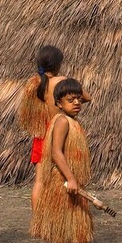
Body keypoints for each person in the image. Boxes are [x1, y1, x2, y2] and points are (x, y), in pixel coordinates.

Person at [30, 78, 93, 243]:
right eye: (70, 100)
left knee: (75, 220)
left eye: (78, 99)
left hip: (73, 179)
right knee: (62, 223)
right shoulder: (62, 121)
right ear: (58, 103)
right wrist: (71, 178)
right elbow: (57, 153)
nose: (76, 103)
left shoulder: (73, 121)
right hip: (63, 181)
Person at [18, 45, 90, 212]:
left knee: (40, 181)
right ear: (58, 64)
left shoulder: (35, 84)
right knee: (67, 174)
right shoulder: (61, 82)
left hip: (41, 133)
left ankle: (38, 217)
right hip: (60, 133)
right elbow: (86, 97)